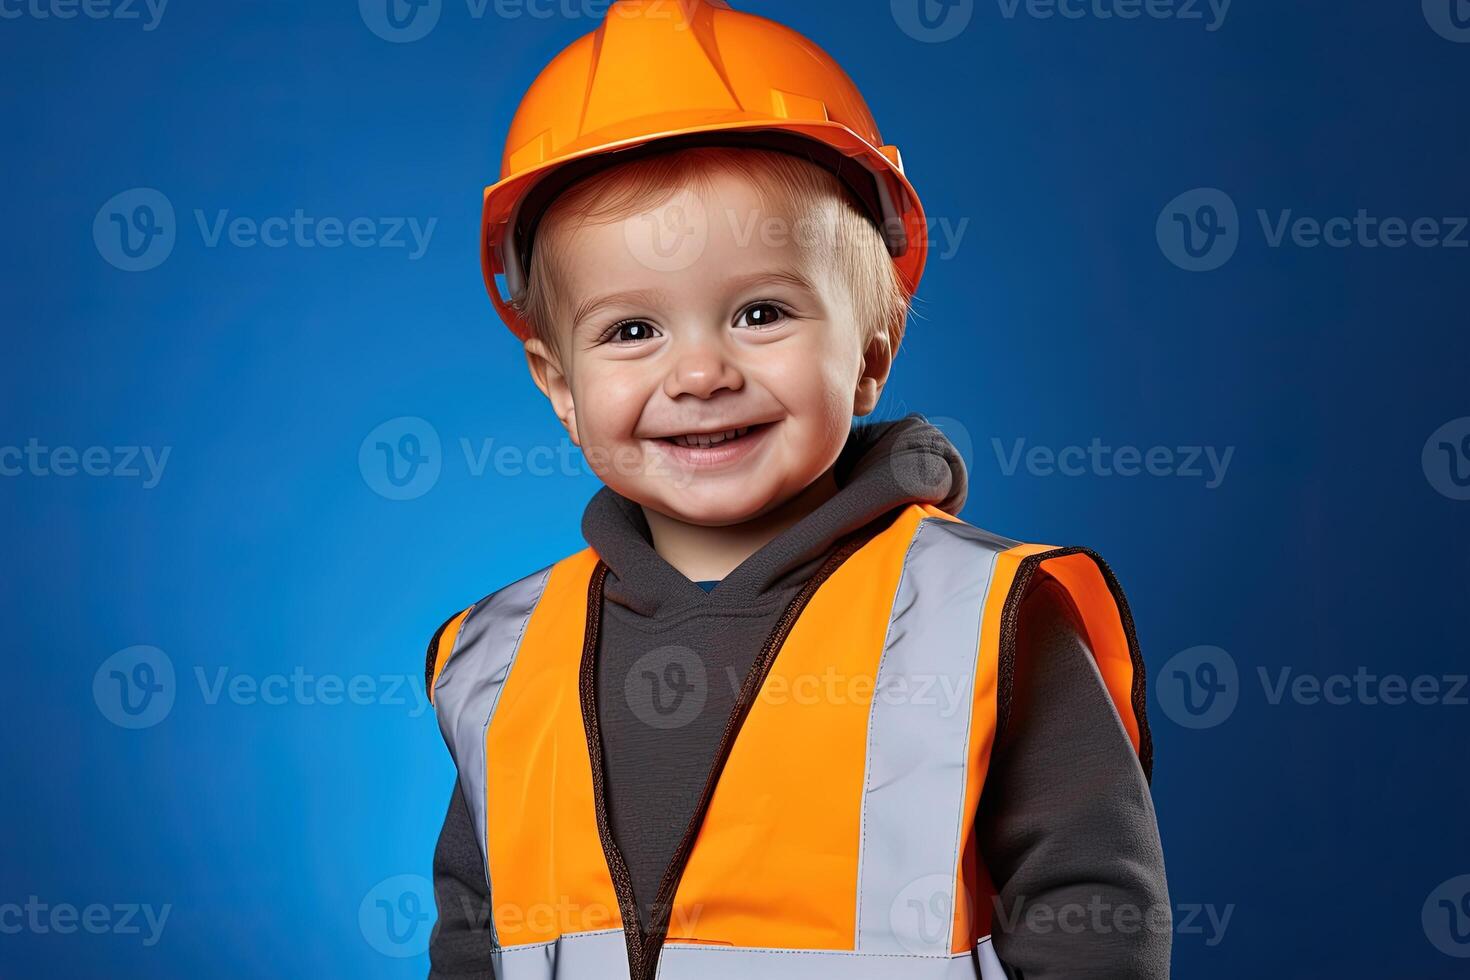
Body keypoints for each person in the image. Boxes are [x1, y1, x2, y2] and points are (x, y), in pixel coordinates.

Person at [424, 2, 1169, 978]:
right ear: (559, 385)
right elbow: (475, 936)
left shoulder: (986, 615)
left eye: (760, 312)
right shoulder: (500, 657)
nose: (699, 373)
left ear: (871, 353)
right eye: (631, 331)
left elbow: (1091, 915)